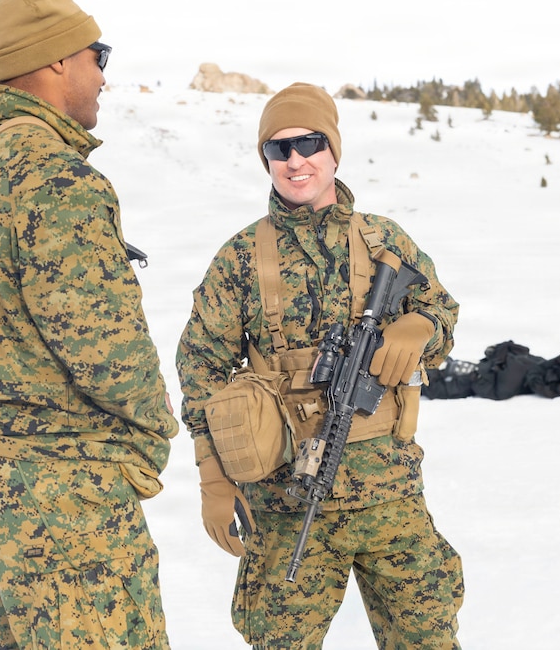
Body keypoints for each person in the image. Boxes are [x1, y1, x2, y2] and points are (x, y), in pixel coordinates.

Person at [0, 0, 178, 648]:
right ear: (58, 61)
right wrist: (152, 439)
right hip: (62, 492)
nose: (105, 76)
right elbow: (105, 345)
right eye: (99, 55)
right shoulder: (54, 176)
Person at [176, 82, 464, 648]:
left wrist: (421, 326)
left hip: (390, 495)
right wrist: (213, 476)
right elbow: (200, 368)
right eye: (278, 149)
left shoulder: (383, 239)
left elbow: (441, 310)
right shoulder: (240, 258)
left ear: (333, 150)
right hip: (288, 504)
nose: (295, 161)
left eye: (308, 143)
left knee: (428, 638)